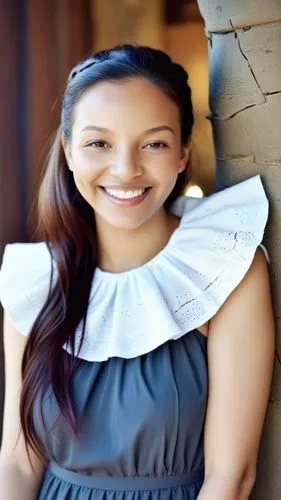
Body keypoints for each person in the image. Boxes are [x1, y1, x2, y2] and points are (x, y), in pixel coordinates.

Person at [0, 44, 275, 500]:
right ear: (68, 150)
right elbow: (17, 460)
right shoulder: (34, 280)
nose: (126, 169)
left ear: (184, 150)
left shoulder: (228, 267)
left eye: (154, 143)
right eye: (98, 143)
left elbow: (232, 476)